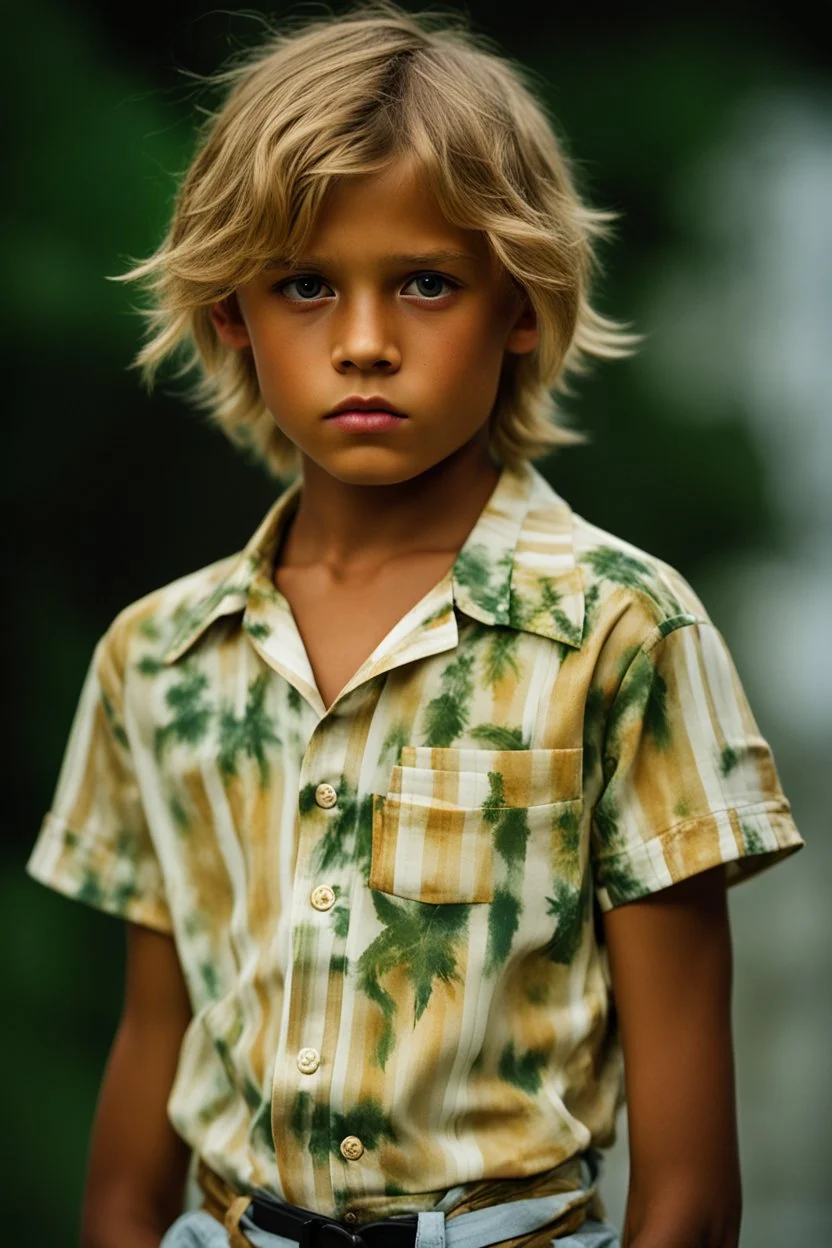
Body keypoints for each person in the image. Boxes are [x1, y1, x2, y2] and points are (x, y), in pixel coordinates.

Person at [26, 3, 805, 1246]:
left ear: (519, 306)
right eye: (305, 288)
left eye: (427, 283)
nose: (367, 343)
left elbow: (693, 1187)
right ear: (234, 316)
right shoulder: (158, 662)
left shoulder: (621, 634)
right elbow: (144, 1080)